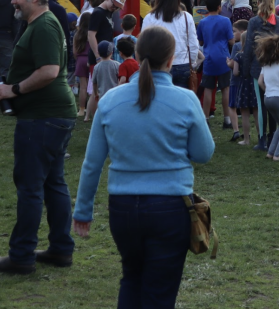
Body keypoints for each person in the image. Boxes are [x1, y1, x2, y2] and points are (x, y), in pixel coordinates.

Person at [73, 26, 215, 308]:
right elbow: (203, 153)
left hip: (123, 209)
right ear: (171, 59)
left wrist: (83, 211)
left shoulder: (111, 100)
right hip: (170, 208)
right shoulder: (186, 99)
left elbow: (92, 163)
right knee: (159, 291)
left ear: (136, 55)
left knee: (131, 279)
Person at [0, 0, 78, 274]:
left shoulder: (44, 25)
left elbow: (50, 71)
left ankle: (22, 255)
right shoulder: (42, 23)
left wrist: (12, 90)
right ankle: (60, 250)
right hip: (52, 116)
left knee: (30, 187)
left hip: (42, 118)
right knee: (54, 184)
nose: (12, 1)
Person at [241, 0, 279, 152]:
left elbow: (248, 48)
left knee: (262, 106)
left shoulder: (254, 21)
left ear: (258, 2)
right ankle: (273, 137)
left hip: (257, 67)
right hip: (275, 68)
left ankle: (262, 140)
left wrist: (245, 70)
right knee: (274, 103)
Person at [140, 0, 199, 89]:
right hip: (183, 64)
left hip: (158, 65)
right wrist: (192, 63)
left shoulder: (149, 17)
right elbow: (194, 44)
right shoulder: (187, 17)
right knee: (181, 101)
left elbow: (144, 44)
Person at [197, 0, 235, 129]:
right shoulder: (225, 21)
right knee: (225, 88)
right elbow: (231, 40)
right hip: (223, 57)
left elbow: (200, 41)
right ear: (219, 7)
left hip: (208, 58)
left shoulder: (202, 22)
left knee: (208, 88)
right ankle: (227, 119)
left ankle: (205, 118)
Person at [87, 0, 124, 75]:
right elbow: (91, 35)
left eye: (117, 7)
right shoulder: (98, 12)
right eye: (114, 5)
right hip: (99, 58)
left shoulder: (108, 11)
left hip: (106, 57)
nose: (114, 8)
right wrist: (97, 57)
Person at [229, 19, 251, 144]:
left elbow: (233, 65)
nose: (232, 34)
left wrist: (228, 63)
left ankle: (236, 130)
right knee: (248, 109)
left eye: (234, 31)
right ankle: (253, 134)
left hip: (236, 80)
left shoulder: (237, 46)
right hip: (248, 82)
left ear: (242, 32)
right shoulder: (253, 46)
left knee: (233, 106)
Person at [72, 15, 92, 115]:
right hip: (91, 60)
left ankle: (81, 109)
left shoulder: (77, 34)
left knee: (83, 87)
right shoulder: (93, 33)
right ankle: (91, 109)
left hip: (80, 60)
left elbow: (74, 51)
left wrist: (78, 59)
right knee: (92, 86)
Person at [92, 40, 121, 106]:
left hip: (102, 96)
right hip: (114, 95)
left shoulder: (96, 67)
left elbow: (94, 83)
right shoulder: (117, 65)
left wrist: (96, 94)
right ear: (111, 52)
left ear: (98, 53)